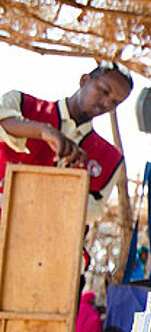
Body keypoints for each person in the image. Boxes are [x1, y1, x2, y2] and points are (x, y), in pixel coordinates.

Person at [0, 61, 133, 221]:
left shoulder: (111, 159)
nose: (105, 103)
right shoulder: (22, 105)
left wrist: (59, 189)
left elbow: (92, 212)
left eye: (114, 102)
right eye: (104, 91)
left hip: (54, 242)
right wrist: (43, 131)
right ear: (84, 80)